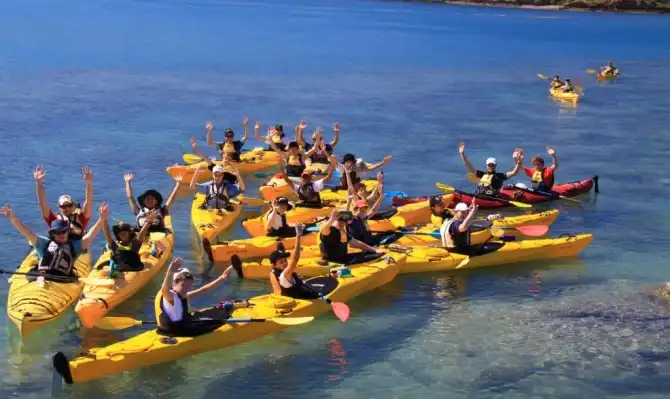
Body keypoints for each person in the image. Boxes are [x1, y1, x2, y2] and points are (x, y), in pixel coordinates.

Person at [0, 203, 107, 277]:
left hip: (64, 280)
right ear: (52, 234)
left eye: (63, 231)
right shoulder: (44, 244)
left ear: (67, 232)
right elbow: (27, 232)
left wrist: (101, 219)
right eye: (57, 232)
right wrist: (13, 218)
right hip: (43, 275)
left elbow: (90, 235)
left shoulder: (74, 247)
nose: (61, 234)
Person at [158, 257, 246, 337]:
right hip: (178, 331)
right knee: (217, 320)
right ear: (174, 283)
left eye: (188, 286)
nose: (186, 289)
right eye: (183, 285)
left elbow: (203, 290)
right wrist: (170, 272)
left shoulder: (183, 294)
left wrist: (222, 278)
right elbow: (164, 290)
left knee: (209, 313)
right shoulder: (170, 296)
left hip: (183, 325)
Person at [34, 165, 94, 241]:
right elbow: (42, 203)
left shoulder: (81, 218)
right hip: (59, 251)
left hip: (77, 250)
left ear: (73, 206)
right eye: (63, 206)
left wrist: (89, 183)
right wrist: (39, 182)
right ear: (59, 207)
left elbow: (89, 200)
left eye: (69, 205)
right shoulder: (54, 220)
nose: (66, 208)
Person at [269, 224, 322, 299]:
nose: (285, 263)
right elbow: (295, 259)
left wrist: (295, 278)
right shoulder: (283, 275)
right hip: (300, 300)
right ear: (274, 265)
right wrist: (298, 236)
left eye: (285, 260)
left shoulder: (281, 273)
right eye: (281, 262)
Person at [102, 208, 158, 278]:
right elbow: (107, 234)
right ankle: (114, 269)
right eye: (120, 233)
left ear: (129, 233)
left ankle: (115, 271)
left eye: (125, 231)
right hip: (119, 267)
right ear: (118, 236)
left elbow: (141, 233)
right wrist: (104, 220)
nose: (122, 233)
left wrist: (149, 222)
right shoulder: (114, 245)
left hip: (133, 268)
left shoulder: (135, 245)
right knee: (113, 259)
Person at [319, 209, 385, 264]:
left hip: (344, 258)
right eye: (339, 221)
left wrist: (374, 250)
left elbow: (356, 242)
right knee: (369, 257)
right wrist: (332, 219)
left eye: (344, 222)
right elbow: (323, 229)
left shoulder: (343, 231)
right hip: (333, 262)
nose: (342, 223)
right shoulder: (330, 230)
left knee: (373, 254)